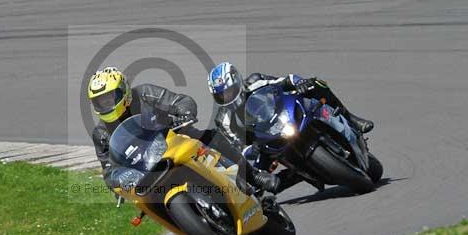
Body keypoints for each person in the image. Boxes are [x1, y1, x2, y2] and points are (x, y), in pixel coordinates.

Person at [87, 66, 286, 195]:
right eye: (100, 101)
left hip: (174, 138)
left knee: (210, 136)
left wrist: (184, 114)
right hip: (146, 167)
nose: (106, 105)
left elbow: (180, 101)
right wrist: (119, 180)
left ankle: (253, 176)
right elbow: (108, 170)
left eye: (109, 98)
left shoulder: (145, 93)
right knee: (142, 199)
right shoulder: (101, 133)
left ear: (124, 92)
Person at [207, 62, 374, 190]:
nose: (226, 97)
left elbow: (286, 81)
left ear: (236, 80)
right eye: (221, 95)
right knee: (260, 182)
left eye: (228, 91)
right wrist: (251, 149)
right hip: (263, 142)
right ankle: (290, 180)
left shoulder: (255, 81)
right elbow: (234, 147)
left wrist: (301, 83)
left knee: (317, 84)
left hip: (282, 118)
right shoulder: (224, 119)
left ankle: (351, 119)